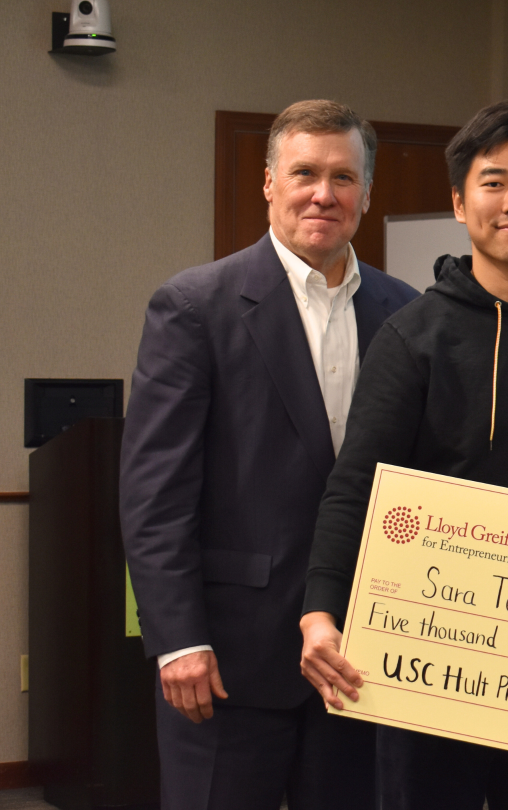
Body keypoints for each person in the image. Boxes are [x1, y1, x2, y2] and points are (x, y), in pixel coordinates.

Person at [300, 100, 508, 809]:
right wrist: (320, 613)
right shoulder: (410, 336)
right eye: (493, 183)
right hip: (427, 655)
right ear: (460, 203)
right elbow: (356, 486)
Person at [118, 100, 420, 809]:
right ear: (268, 183)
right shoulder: (195, 307)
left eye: (343, 177)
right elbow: (154, 496)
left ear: (366, 194)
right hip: (226, 661)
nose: (323, 194)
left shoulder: (407, 314)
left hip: (359, 659)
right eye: (305, 173)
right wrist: (177, 639)